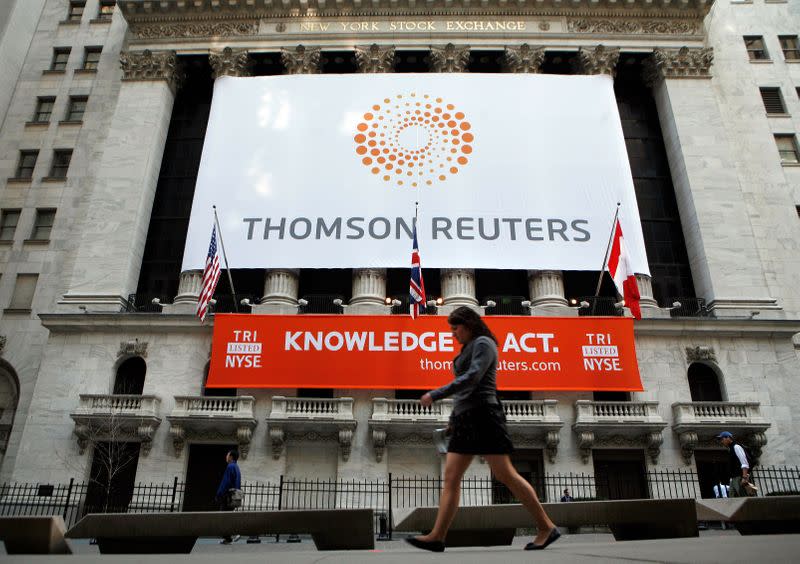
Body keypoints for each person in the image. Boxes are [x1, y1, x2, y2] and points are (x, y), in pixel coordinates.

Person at [406, 306, 560, 552]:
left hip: (485, 416)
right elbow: (465, 391)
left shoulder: (484, 343)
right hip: (465, 419)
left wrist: (435, 394)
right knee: (451, 477)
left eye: (456, 328)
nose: (453, 334)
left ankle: (546, 526)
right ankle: (437, 536)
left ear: (468, 325)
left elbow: (473, 377)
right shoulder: (467, 348)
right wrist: (454, 420)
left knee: (505, 474)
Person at [216, 449, 242, 545]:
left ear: (231, 457)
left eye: (227, 455)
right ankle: (229, 537)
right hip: (234, 496)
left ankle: (232, 535)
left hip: (228, 496)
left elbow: (225, 482)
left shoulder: (230, 467)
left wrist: (219, 494)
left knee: (223, 517)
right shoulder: (236, 467)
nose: (226, 457)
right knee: (228, 516)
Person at [717, 431, 755, 498]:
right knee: (732, 497)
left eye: (722, 439)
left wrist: (744, 477)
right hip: (734, 478)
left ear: (728, 438)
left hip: (739, 477)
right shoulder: (731, 448)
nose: (721, 442)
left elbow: (744, 462)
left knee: (743, 497)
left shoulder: (736, 446)